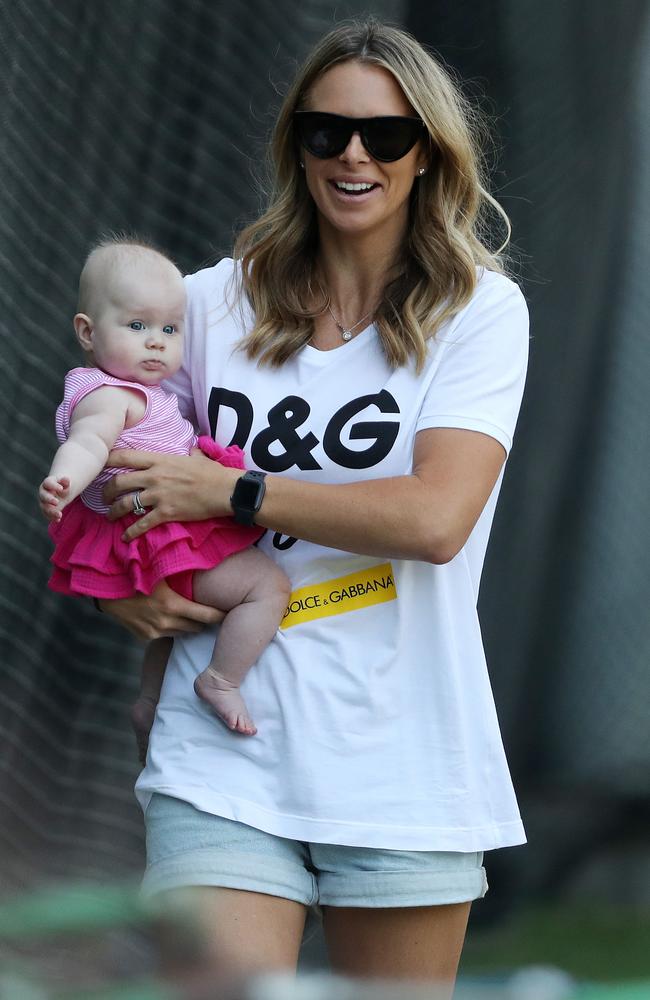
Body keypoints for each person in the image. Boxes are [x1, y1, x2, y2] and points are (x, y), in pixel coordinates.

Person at [98, 19, 529, 992]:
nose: (352, 154)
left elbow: (433, 519)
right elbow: (107, 444)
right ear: (294, 142)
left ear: (427, 154)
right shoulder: (207, 305)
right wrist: (118, 586)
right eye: (325, 129)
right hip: (220, 755)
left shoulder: (479, 311)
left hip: (403, 759)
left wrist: (233, 491)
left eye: (384, 135)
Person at [39, 240, 291, 743]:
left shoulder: (143, 392)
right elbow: (89, 442)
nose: (156, 342)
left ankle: (150, 703)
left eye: (169, 329)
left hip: (158, 533)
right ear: (87, 332)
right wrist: (64, 480)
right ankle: (220, 679)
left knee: (175, 630)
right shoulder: (111, 396)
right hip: (162, 536)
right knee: (267, 587)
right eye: (137, 326)